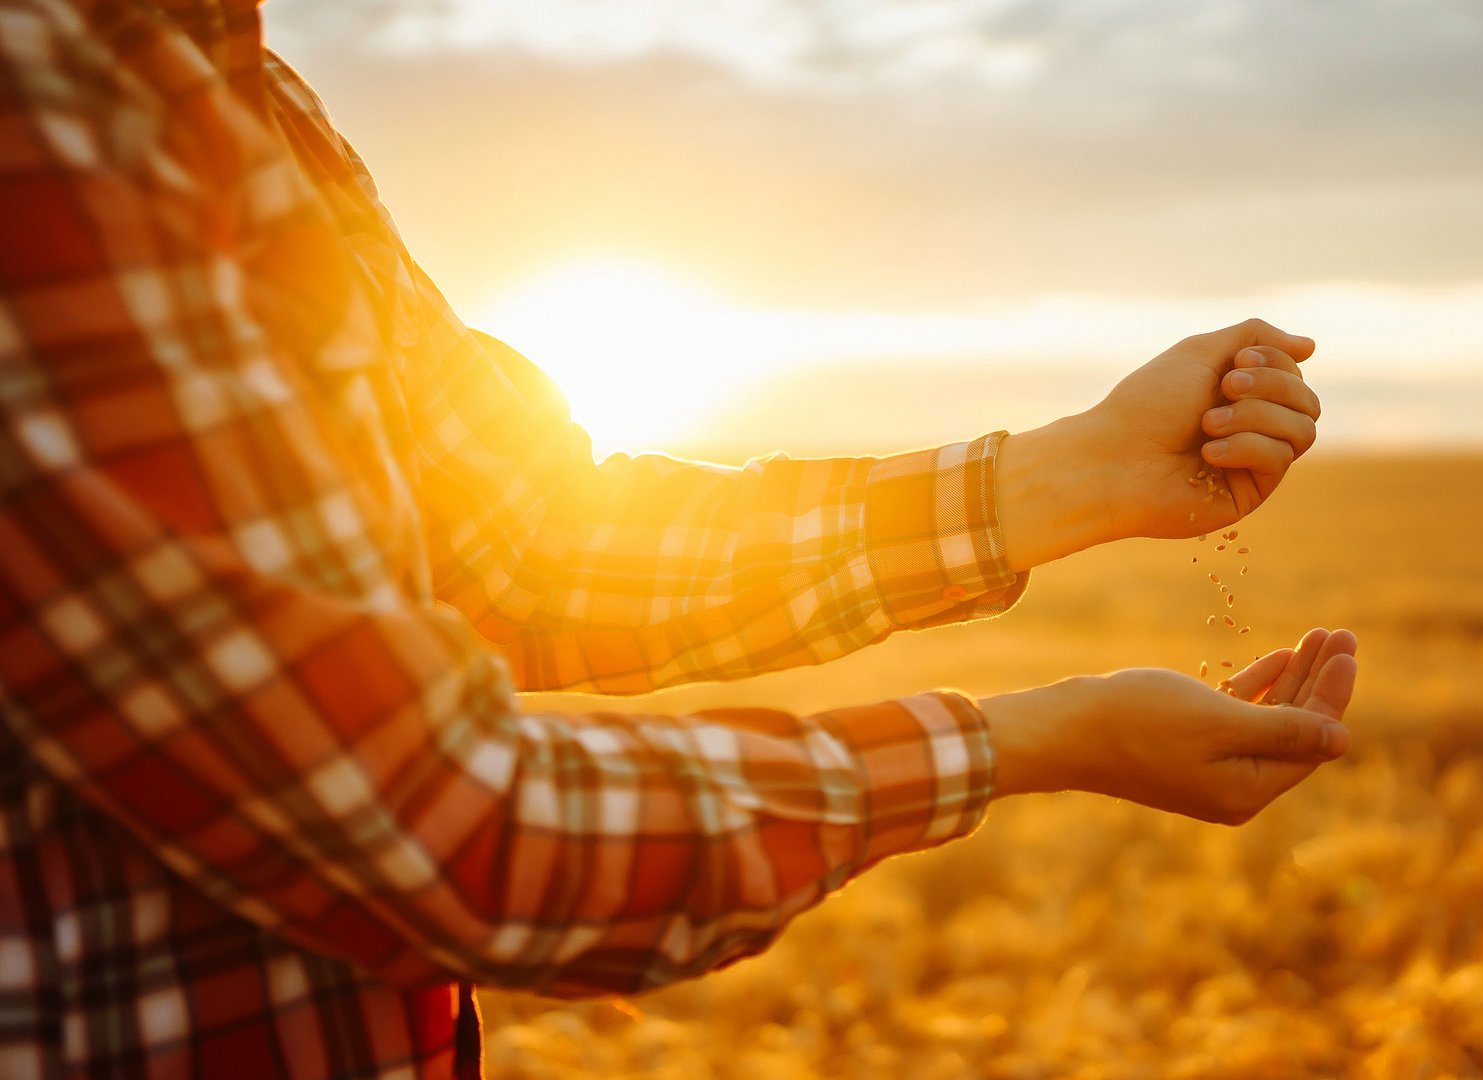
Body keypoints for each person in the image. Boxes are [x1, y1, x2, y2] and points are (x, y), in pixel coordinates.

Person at [0, 0, 1359, 1076]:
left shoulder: (249, 98)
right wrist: (1037, 739)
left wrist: (1077, 475)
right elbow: (444, 825)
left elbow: (530, 537)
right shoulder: (47, 121)